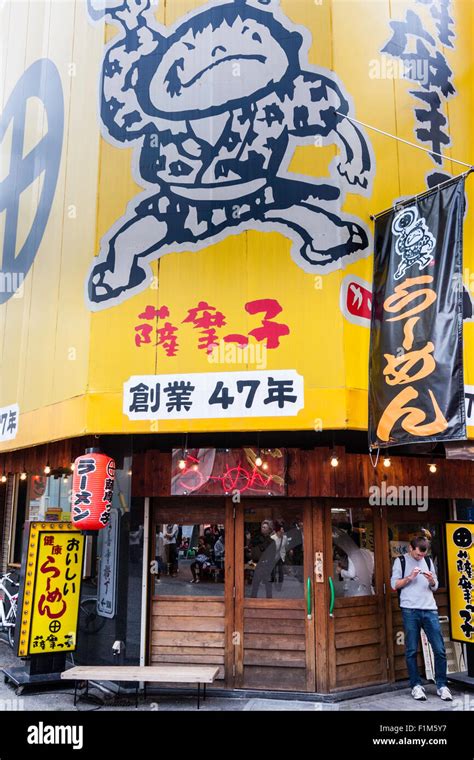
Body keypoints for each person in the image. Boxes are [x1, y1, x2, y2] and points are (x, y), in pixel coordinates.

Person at [391, 532, 452, 702]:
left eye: (423, 554)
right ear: (411, 548)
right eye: (418, 554)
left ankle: (442, 685)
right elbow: (394, 584)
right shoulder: (401, 561)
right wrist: (410, 578)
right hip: (410, 609)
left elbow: (435, 586)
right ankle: (416, 685)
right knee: (411, 649)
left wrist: (432, 580)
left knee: (439, 649)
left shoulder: (428, 560)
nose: (420, 557)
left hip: (429, 608)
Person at [250, 520, 276, 598]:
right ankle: (252, 601)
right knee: (255, 586)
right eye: (262, 527)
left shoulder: (272, 542)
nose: (263, 529)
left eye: (265, 528)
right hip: (258, 565)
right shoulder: (256, 539)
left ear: (269, 530)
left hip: (267, 566)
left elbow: (272, 555)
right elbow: (253, 549)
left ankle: (269, 603)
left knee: (268, 587)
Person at [271, 520, 288, 591]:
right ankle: (275, 584)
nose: (283, 531)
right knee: (274, 572)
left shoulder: (285, 538)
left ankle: (280, 586)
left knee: (281, 571)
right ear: (277, 531)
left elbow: (286, 546)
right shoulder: (272, 538)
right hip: (273, 557)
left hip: (281, 556)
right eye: (281, 530)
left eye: (283, 530)